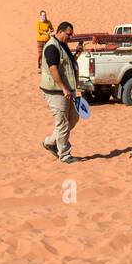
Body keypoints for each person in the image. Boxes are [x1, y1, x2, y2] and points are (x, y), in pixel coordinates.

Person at [39, 21, 83, 164]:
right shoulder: (52, 47)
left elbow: (67, 65)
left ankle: (50, 142)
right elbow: (53, 69)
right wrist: (63, 88)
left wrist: (77, 53)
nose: (70, 37)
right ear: (60, 31)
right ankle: (64, 154)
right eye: (69, 34)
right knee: (62, 123)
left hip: (68, 90)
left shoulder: (62, 45)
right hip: (56, 91)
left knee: (73, 118)